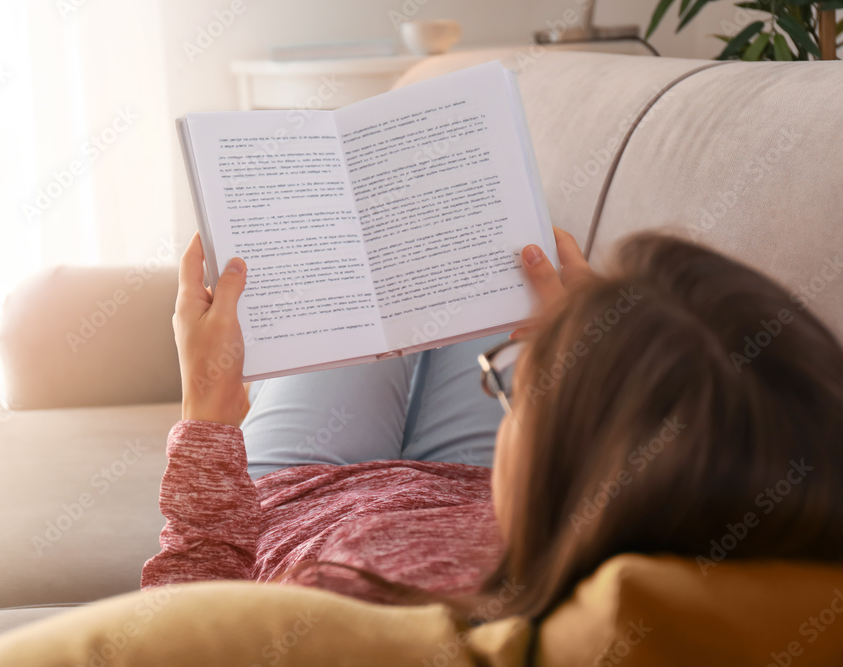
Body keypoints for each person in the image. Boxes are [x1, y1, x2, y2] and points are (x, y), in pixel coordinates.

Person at [141, 227, 843, 625]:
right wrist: (574, 365)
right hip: (502, 492)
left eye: (519, 383)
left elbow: (185, 629)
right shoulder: (635, 551)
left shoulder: (354, 618)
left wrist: (205, 413)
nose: (505, 380)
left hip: (298, 495)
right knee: (491, 255)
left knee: (374, 245)